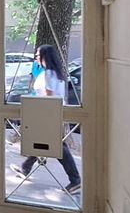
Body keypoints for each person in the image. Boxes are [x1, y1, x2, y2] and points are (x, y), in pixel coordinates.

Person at [9, 44, 82, 195]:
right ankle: (25, 168)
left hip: (48, 113)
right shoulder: (56, 74)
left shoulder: (48, 74)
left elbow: (49, 96)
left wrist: (39, 111)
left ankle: (75, 180)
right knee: (41, 141)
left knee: (58, 147)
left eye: (37, 55)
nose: (36, 58)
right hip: (54, 113)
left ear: (44, 57)